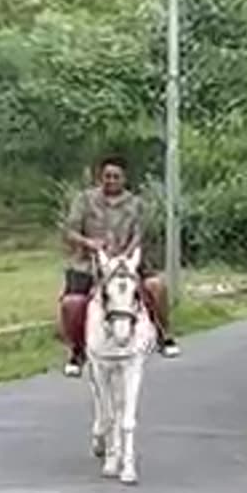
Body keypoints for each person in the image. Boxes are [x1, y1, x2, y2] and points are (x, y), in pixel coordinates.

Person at [58, 155, 180, 377]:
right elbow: (69, 231)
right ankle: (76, 351)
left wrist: (126, 255)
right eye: (107, 176)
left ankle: (164, 335)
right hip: (90, 264)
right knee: (71, 304)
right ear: (99, 177)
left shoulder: (136, 204)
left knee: (156, 286)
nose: (111, 181)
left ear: (124, 179)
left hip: (127, 262)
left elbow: (140, 234)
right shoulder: (84, 200)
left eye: (116, 177)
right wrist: (90, 244)